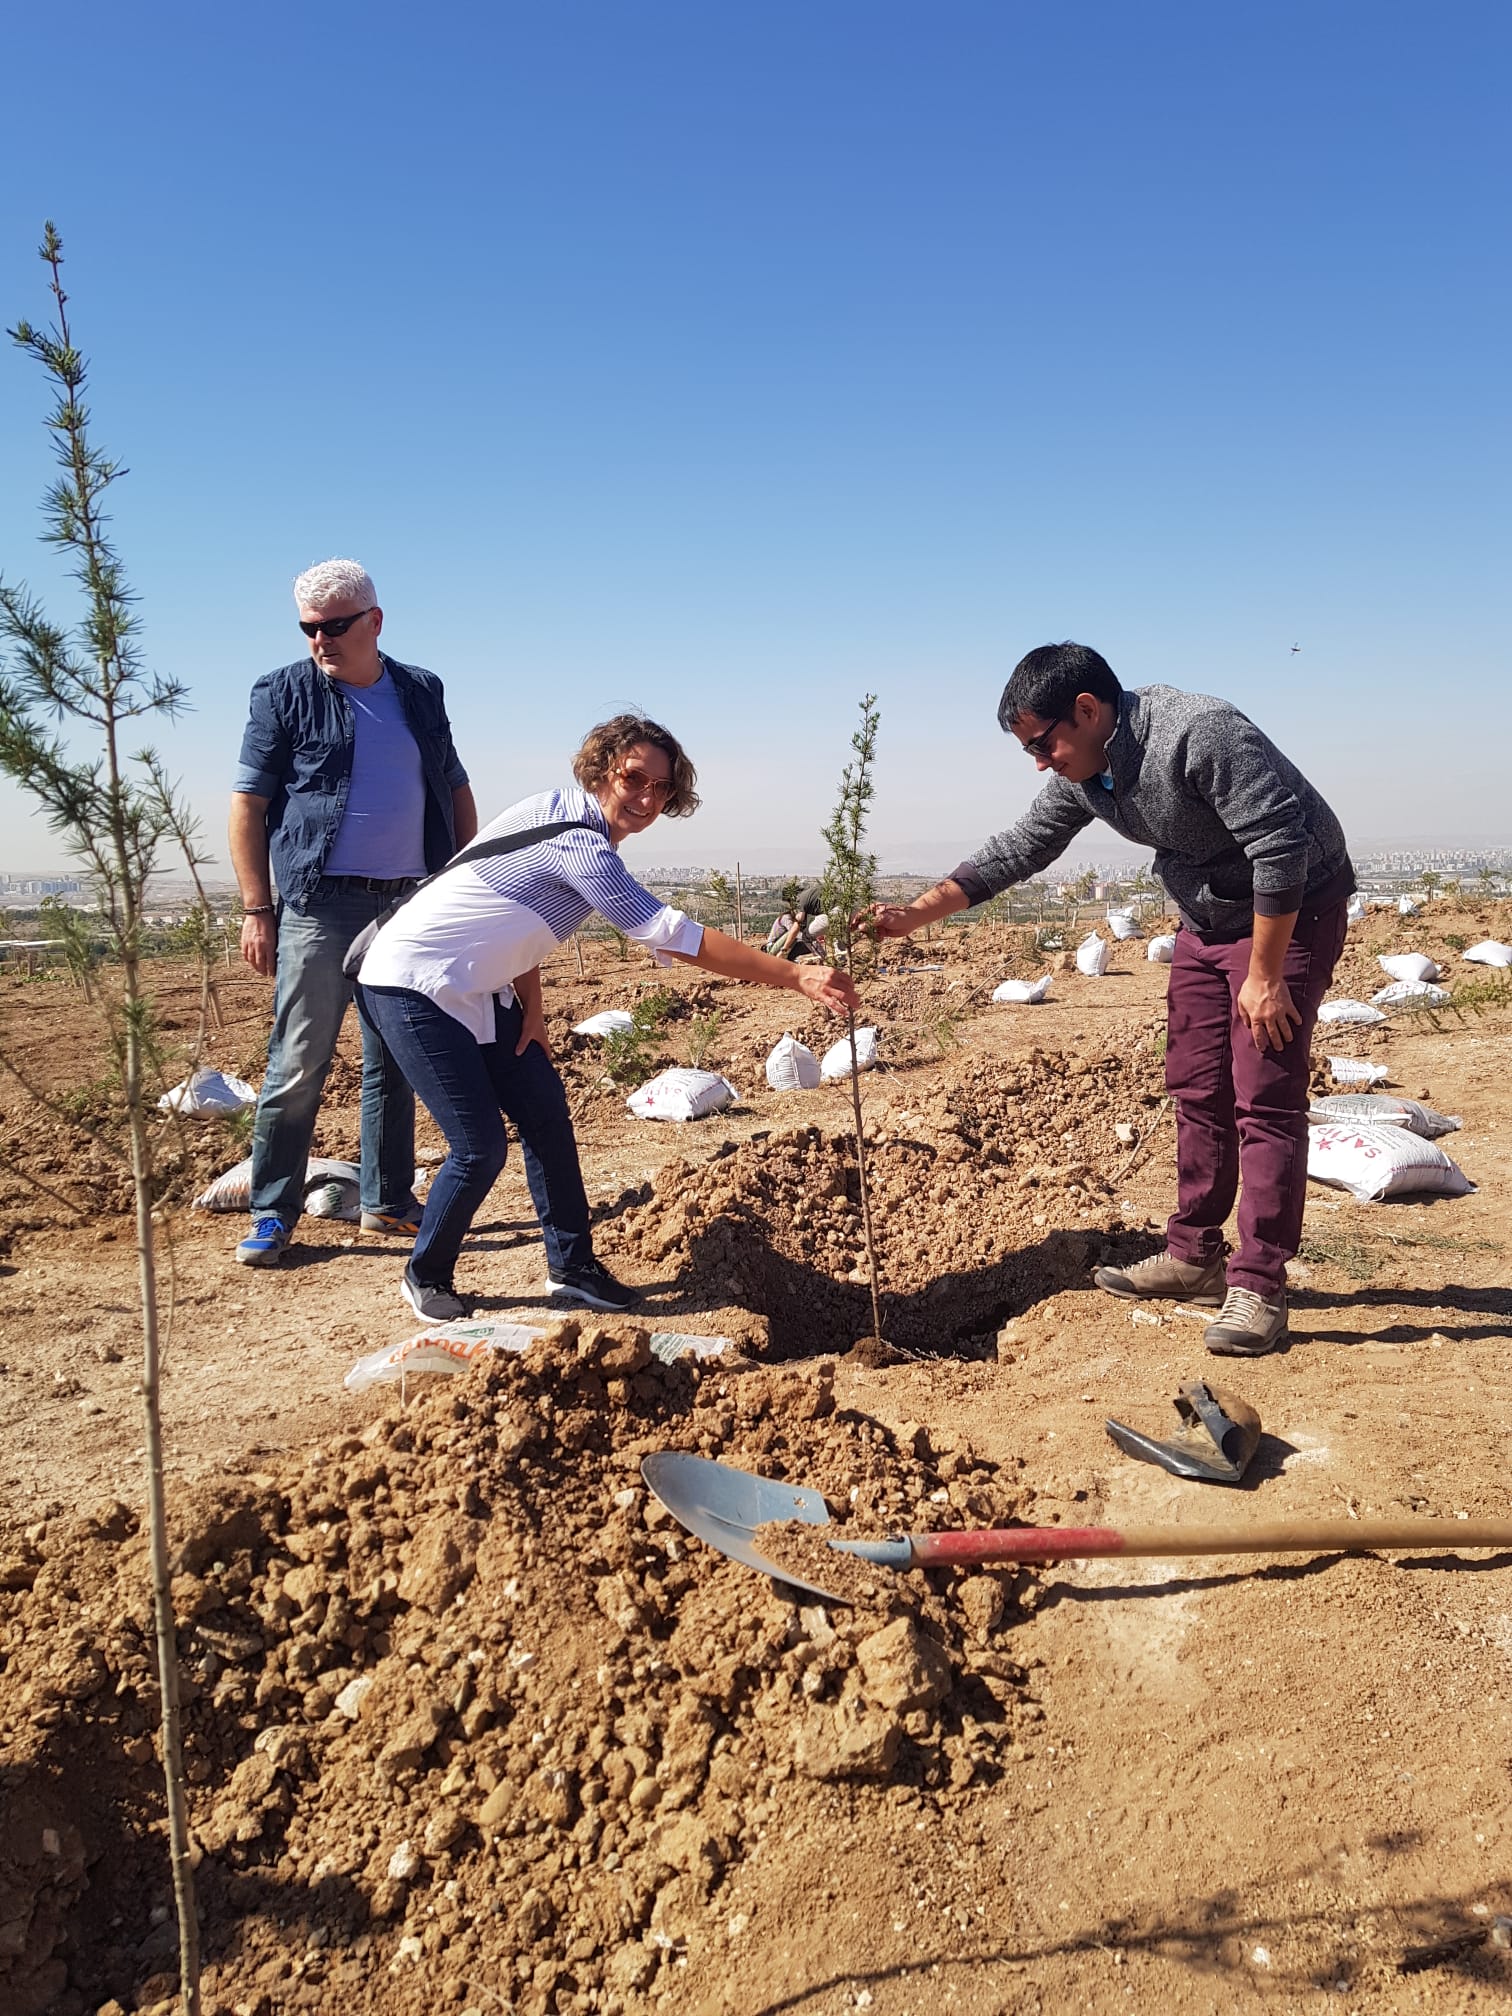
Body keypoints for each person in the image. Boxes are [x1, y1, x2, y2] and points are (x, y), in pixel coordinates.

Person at [867, 642, 1354, 1357]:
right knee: (1196, 1084)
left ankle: (1259, 1287)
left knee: (1266, 1096)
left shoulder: (1200, 732)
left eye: (1043, 742)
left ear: (1089, 711)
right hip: (1206, 918)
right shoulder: (1087, 773)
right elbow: (1020, 848)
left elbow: (1282, 847)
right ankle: (1193, 1258)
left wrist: (1266, 974)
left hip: (1290, 909)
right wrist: (910, 915)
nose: (1040, 761)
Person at [356, 714, 858, 1322]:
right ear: (602, 771)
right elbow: (676, 937)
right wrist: (795, 974)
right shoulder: (581, 843)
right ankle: (426, 1273)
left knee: (545, 1115)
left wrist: (533, 1013)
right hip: (413, 982)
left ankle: (572, 1270)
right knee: (478, 1145)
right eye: (634, 778)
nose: (647, 798)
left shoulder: (556, 813)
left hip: (479, 987)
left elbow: (509, 925)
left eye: (662, 788)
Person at [230, 558, 477, 1266]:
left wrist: (463, 881)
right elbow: (247, 806)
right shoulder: (282, 694)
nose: (320, 640)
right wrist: (257, 909)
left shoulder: (421, 691)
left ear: (373, 621)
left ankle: (387, 1201)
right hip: (319, 902)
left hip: (408, 903)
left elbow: (454, 788)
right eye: (308, 628)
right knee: (297, 1063)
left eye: (334, 626)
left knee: (394, 1058)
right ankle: (274, 1212)